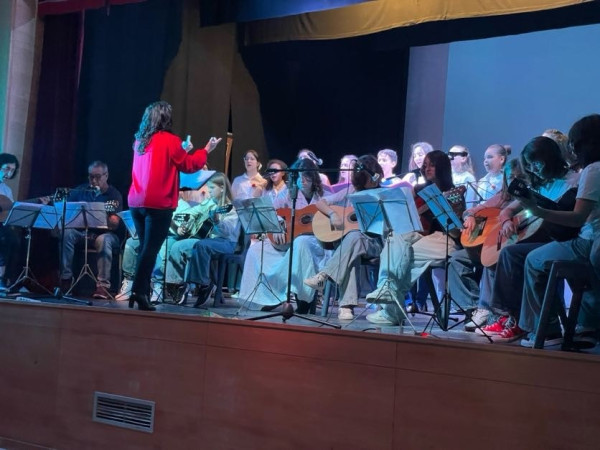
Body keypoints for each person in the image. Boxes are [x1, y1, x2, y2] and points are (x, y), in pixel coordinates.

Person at [476, 136, 580, 342]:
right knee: (505, 253)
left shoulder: (573, 182)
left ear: (550, 158)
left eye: (537, 163)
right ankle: (511, 317)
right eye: (530, 165)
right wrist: (507, 221)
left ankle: (519, 321)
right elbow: (508, 210)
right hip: (542, 238)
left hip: (562, 239)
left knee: (513, 255)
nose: (534, 169)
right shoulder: (539, 183)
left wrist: (541, 211)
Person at [127, 100, 220, 311]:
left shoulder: (140, 141)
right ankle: (139, 292)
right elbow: (189, 165)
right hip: (158, 203)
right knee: (150, 250)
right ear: (166, 119)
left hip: (136, 202)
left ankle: (140, 291)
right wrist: (206, 149)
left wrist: (182, 150)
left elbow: (164, 160)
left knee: (145, 248)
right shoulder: (170, 140)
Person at [518, 115, 600, 347]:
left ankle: (547, 331)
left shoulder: (592, 170)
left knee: (534, 260)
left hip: (590, 240)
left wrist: (537, 210)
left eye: (573, 144)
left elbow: (577, 218)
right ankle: (585, 325)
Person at [363, 150, 466, 326]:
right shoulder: (419, 190)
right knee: (395, 239)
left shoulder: (453, 193)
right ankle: (387, 294)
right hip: (419, 237)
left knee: (402, 256)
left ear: (442, 167)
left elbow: (456, 233)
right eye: (424, 165)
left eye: (431, 165)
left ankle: (391, 310)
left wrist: (441, 209)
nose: (426, 168)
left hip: (444, 239)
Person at [238, 158, 330, 312]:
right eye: (299, 177)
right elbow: (272, 212)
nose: (302, 181)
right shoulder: (289, 194)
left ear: (313, 177)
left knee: (301, 243)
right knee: (256, 250)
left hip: (315, 243)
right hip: (290, 242)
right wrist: (279, 225)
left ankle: (303, 298)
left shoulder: (325, 195)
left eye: (306, 177)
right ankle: (265, 298)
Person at [448, 158, 527, 331]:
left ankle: (487, 310)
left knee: (490, 260)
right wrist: (469, 216)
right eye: (510, 177)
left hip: (506, 248)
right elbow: (472, 210)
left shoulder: (528, 198)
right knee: (456, 259)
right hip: (487, 244)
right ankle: (473, 307)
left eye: (518, 176)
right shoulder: (502, 197)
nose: (513, 180)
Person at [303, 155, 384, 320]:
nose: (373, 181)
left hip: (375, 244)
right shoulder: (351, 191)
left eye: (374, 176)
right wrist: (333, 214)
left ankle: (324, 276)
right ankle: (346, 307)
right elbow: (320, 203)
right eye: (368, 178)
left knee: (353, 238)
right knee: (352, 249)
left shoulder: (382, 194)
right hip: (354, 245)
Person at [166, 172, 239, 307]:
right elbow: (192, 212)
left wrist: (217, 221)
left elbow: (228, 232)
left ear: (222, 188)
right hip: (205, 239)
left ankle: (204, 284)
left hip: (226, 242)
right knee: (177, 245)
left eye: (212, 188)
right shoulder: (209, 202)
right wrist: (190, 221)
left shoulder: (230, 208)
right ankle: (175, 285)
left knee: (201, 246)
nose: (208, 191)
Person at [58, 160, 124, 299]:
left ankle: (103, 286)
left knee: (104, 240)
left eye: (98, 177)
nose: (94, 180)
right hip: (82, 232)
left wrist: (104, 216)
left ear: (106, 176)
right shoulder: (80, 191)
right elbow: (66, 213)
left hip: (105, 234)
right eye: (91, 176)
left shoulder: (113, 195)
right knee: (67, 233)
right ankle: (66, 279)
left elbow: (115, 225)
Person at [0, 153, 20, 290]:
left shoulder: (7, 190)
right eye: (7, 168)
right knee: (4, 237)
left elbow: (9, 211)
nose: (9, 173)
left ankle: (5, 279)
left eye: (12, 170)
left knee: (14, 240)